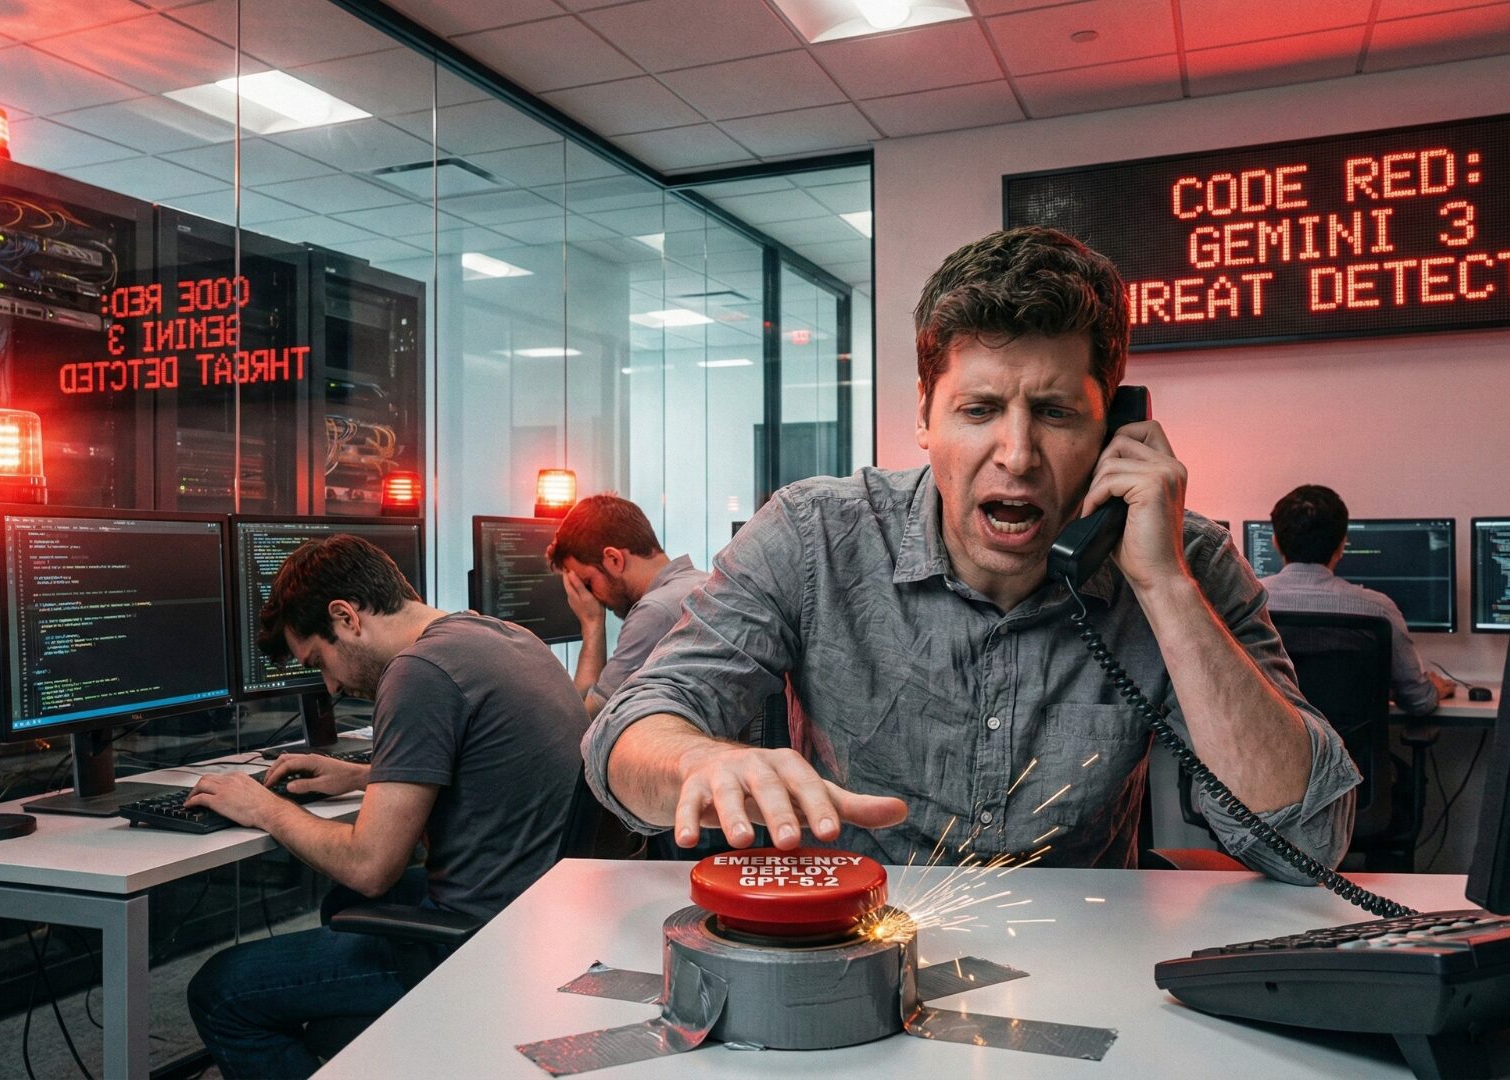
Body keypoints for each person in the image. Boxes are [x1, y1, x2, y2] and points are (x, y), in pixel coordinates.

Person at [583, 225, 1361, 880]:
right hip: (856, 942)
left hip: (1086, 960)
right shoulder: (813, 533)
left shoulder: (1187, 560)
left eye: (1055, 412)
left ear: (1117, 426)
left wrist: (1164, 589)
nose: (1016, 455)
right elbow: (624, 736)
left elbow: (1309, 844)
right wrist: (699, 765)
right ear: (925, 415)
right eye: (979, 409)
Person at [183, 535, 587, 1079]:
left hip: (486, 943)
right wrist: (365, 774)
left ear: (346, 617)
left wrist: (262, 807)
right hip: (547, 915)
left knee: (220, 989)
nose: (328, 686)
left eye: (320, 661)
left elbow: (370, 866)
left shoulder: (418, 671)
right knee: (341, 907)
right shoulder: (501, 635)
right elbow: (490, 766)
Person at [1258, 484, 1456, 715]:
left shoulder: (1247, 603)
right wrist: (1436, 689)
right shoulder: (1378, 610)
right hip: (1350, 750)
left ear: (1275, 542)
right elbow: (1419, 703)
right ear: (1342, 546)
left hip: (1269, 747)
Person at [547, 493, 709, 718]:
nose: (590, 597)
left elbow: (585, 723)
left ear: (614, 559)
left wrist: (591, 623)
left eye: (587, 583)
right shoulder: (702, 584)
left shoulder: (655, 612)